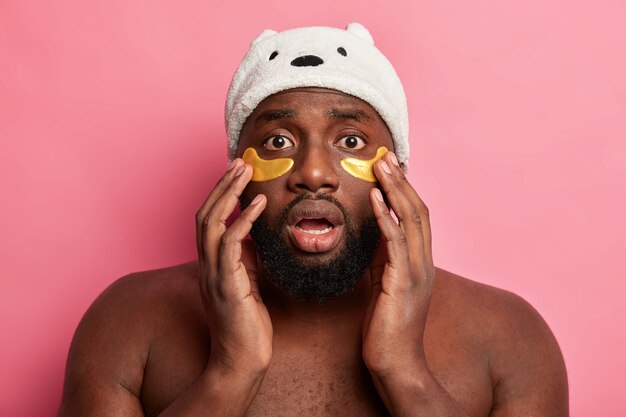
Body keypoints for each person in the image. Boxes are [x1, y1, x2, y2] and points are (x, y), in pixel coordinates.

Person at [58, 23, 568, 417]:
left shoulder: (510, 337)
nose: (313, 173)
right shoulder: (127, 323)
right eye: (278, 141)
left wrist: (404, 371)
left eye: (350, 141)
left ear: (396, 170)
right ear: (239, 168)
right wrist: (230, 373)